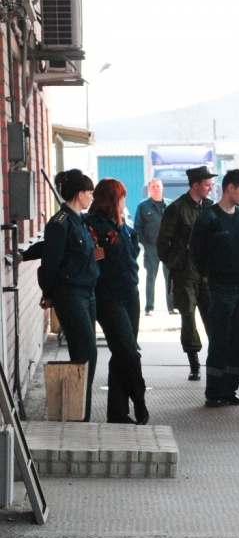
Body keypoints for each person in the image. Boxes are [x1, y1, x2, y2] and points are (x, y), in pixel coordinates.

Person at [190, 169, 239, 408]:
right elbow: (195, 252)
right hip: (220, 287)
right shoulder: (209, 218)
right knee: (220, 340)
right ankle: (214, 392)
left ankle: (230, 390)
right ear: (230, 188)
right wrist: (209, 275)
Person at [38, 169, 99, 421]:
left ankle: (79, 409)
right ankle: (78, 413)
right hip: (70, 293)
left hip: (87, 292)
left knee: (85, 352)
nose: (92, 198)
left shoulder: (79, 220)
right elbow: (50, 260)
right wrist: (48, 293)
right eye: (90, 194)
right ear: (80, 193)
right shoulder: (60, 222)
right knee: (86, 352)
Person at [85, 179, 148, 424]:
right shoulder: (91, 225)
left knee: (122, 353)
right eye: (121, 197)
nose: (124, 202)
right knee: (129, 353)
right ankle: (139, 400)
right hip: (107, 297)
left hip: (130, 293)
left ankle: (118, 412)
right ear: (112, 199)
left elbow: (132, 251)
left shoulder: (122, 223)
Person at [157, 167, 216, 381]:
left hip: (208, 273)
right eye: (207, 184)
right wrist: (178, 263)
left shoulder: (211, 208)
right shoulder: (177, 209)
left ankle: (217, 362)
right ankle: (194, 363)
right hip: (185, 274)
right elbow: (162, 244)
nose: (211, 188)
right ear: (195, 185)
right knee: (188, 317)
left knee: (213, 317)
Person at [134, 178, 173, 316]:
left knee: (170, 277)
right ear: (149, 189)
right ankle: (149, 307)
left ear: (162, 188)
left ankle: (172, 307)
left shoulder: (170, 205)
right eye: (153, 187)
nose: (156, 189)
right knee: (151, 277)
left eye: (158, 186)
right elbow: (138, 227)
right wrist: (144, 243)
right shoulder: (143, 207)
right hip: (151, 247)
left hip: (168, 247)